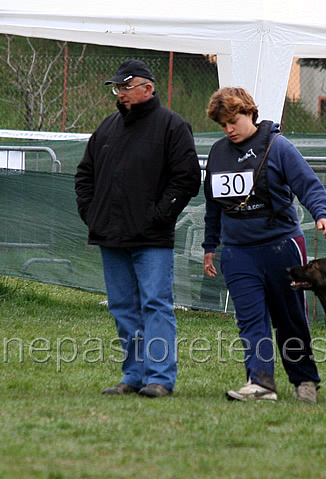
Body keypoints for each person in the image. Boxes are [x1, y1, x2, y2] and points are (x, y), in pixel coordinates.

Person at [202, 87, 326, 403]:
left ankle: (304, 380)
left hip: (281, 247)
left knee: (290, 317)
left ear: (250, 112)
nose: (229, 129)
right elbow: (212, 205)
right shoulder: (218, 153)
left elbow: (308, 184)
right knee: (250, 319)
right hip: (237, 253)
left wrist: (323, 215)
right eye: (223, 125)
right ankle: (260, 383)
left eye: (233, 121)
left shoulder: (278, 147)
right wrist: (211, 246)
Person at [75, 59, 201, 398]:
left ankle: (159, 378)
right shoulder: (107, 127)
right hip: (110, 235)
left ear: (147, 88)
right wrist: (91, 213)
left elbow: (187, 178)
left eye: (125, 87)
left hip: (151, 238)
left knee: (155, 304)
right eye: (117, 88)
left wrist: (160, 215)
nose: (119, 94)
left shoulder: (172, 126)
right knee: (122, 307)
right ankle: (133, 375)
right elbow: (84, 174)